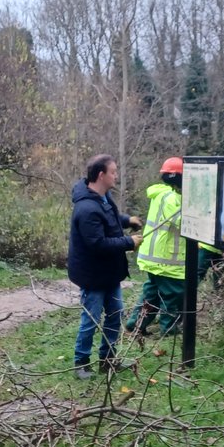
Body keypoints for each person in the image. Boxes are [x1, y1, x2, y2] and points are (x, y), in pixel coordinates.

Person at [67, 155, 142, 379]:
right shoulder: (87, 209)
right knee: (91, 319)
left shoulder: (102, 197)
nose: (116, 175)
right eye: (113, 172)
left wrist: (127, 220)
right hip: (93, 275)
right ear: (101, 175)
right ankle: (81, 363)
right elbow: (98, 244)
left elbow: (109, 217)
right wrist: (130, 242)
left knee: (115, 315)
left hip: (109, 273)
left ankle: (108, 360)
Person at [126, 157, 186, 336]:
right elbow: (181, 222)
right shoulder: (170, 198)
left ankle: (135, 324)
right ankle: (169, 329)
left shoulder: (161, 193)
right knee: (172, 293)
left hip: (154, 258)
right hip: (165, 260)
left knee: (152, 293)